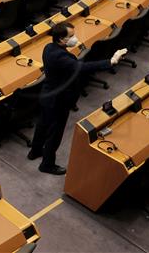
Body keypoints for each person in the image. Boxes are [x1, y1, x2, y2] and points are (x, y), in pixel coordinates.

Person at [28, 22, 128, 175]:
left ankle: (34, 151)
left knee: (42, 125)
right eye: (71, 36)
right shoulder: (60, 56)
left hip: (47, 95)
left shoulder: (49, 47)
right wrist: (111, 61)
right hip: (58, 101)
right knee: (55, 133)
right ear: (61, 39)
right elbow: (81, 68)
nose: (75, 38)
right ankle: (47, 164)